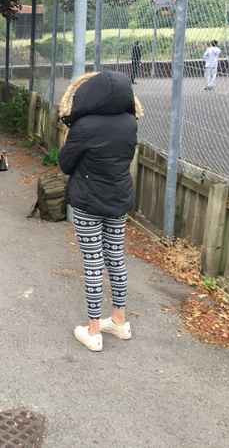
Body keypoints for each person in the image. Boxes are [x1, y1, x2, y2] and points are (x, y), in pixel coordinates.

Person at [58, 71, 143, 352]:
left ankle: (93, 330)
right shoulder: (130, 123)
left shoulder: (84, 126)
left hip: (88, 202)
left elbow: (66, 165)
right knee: (116, 257)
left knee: (94, 262)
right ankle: (119, 321)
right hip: (119, 200)